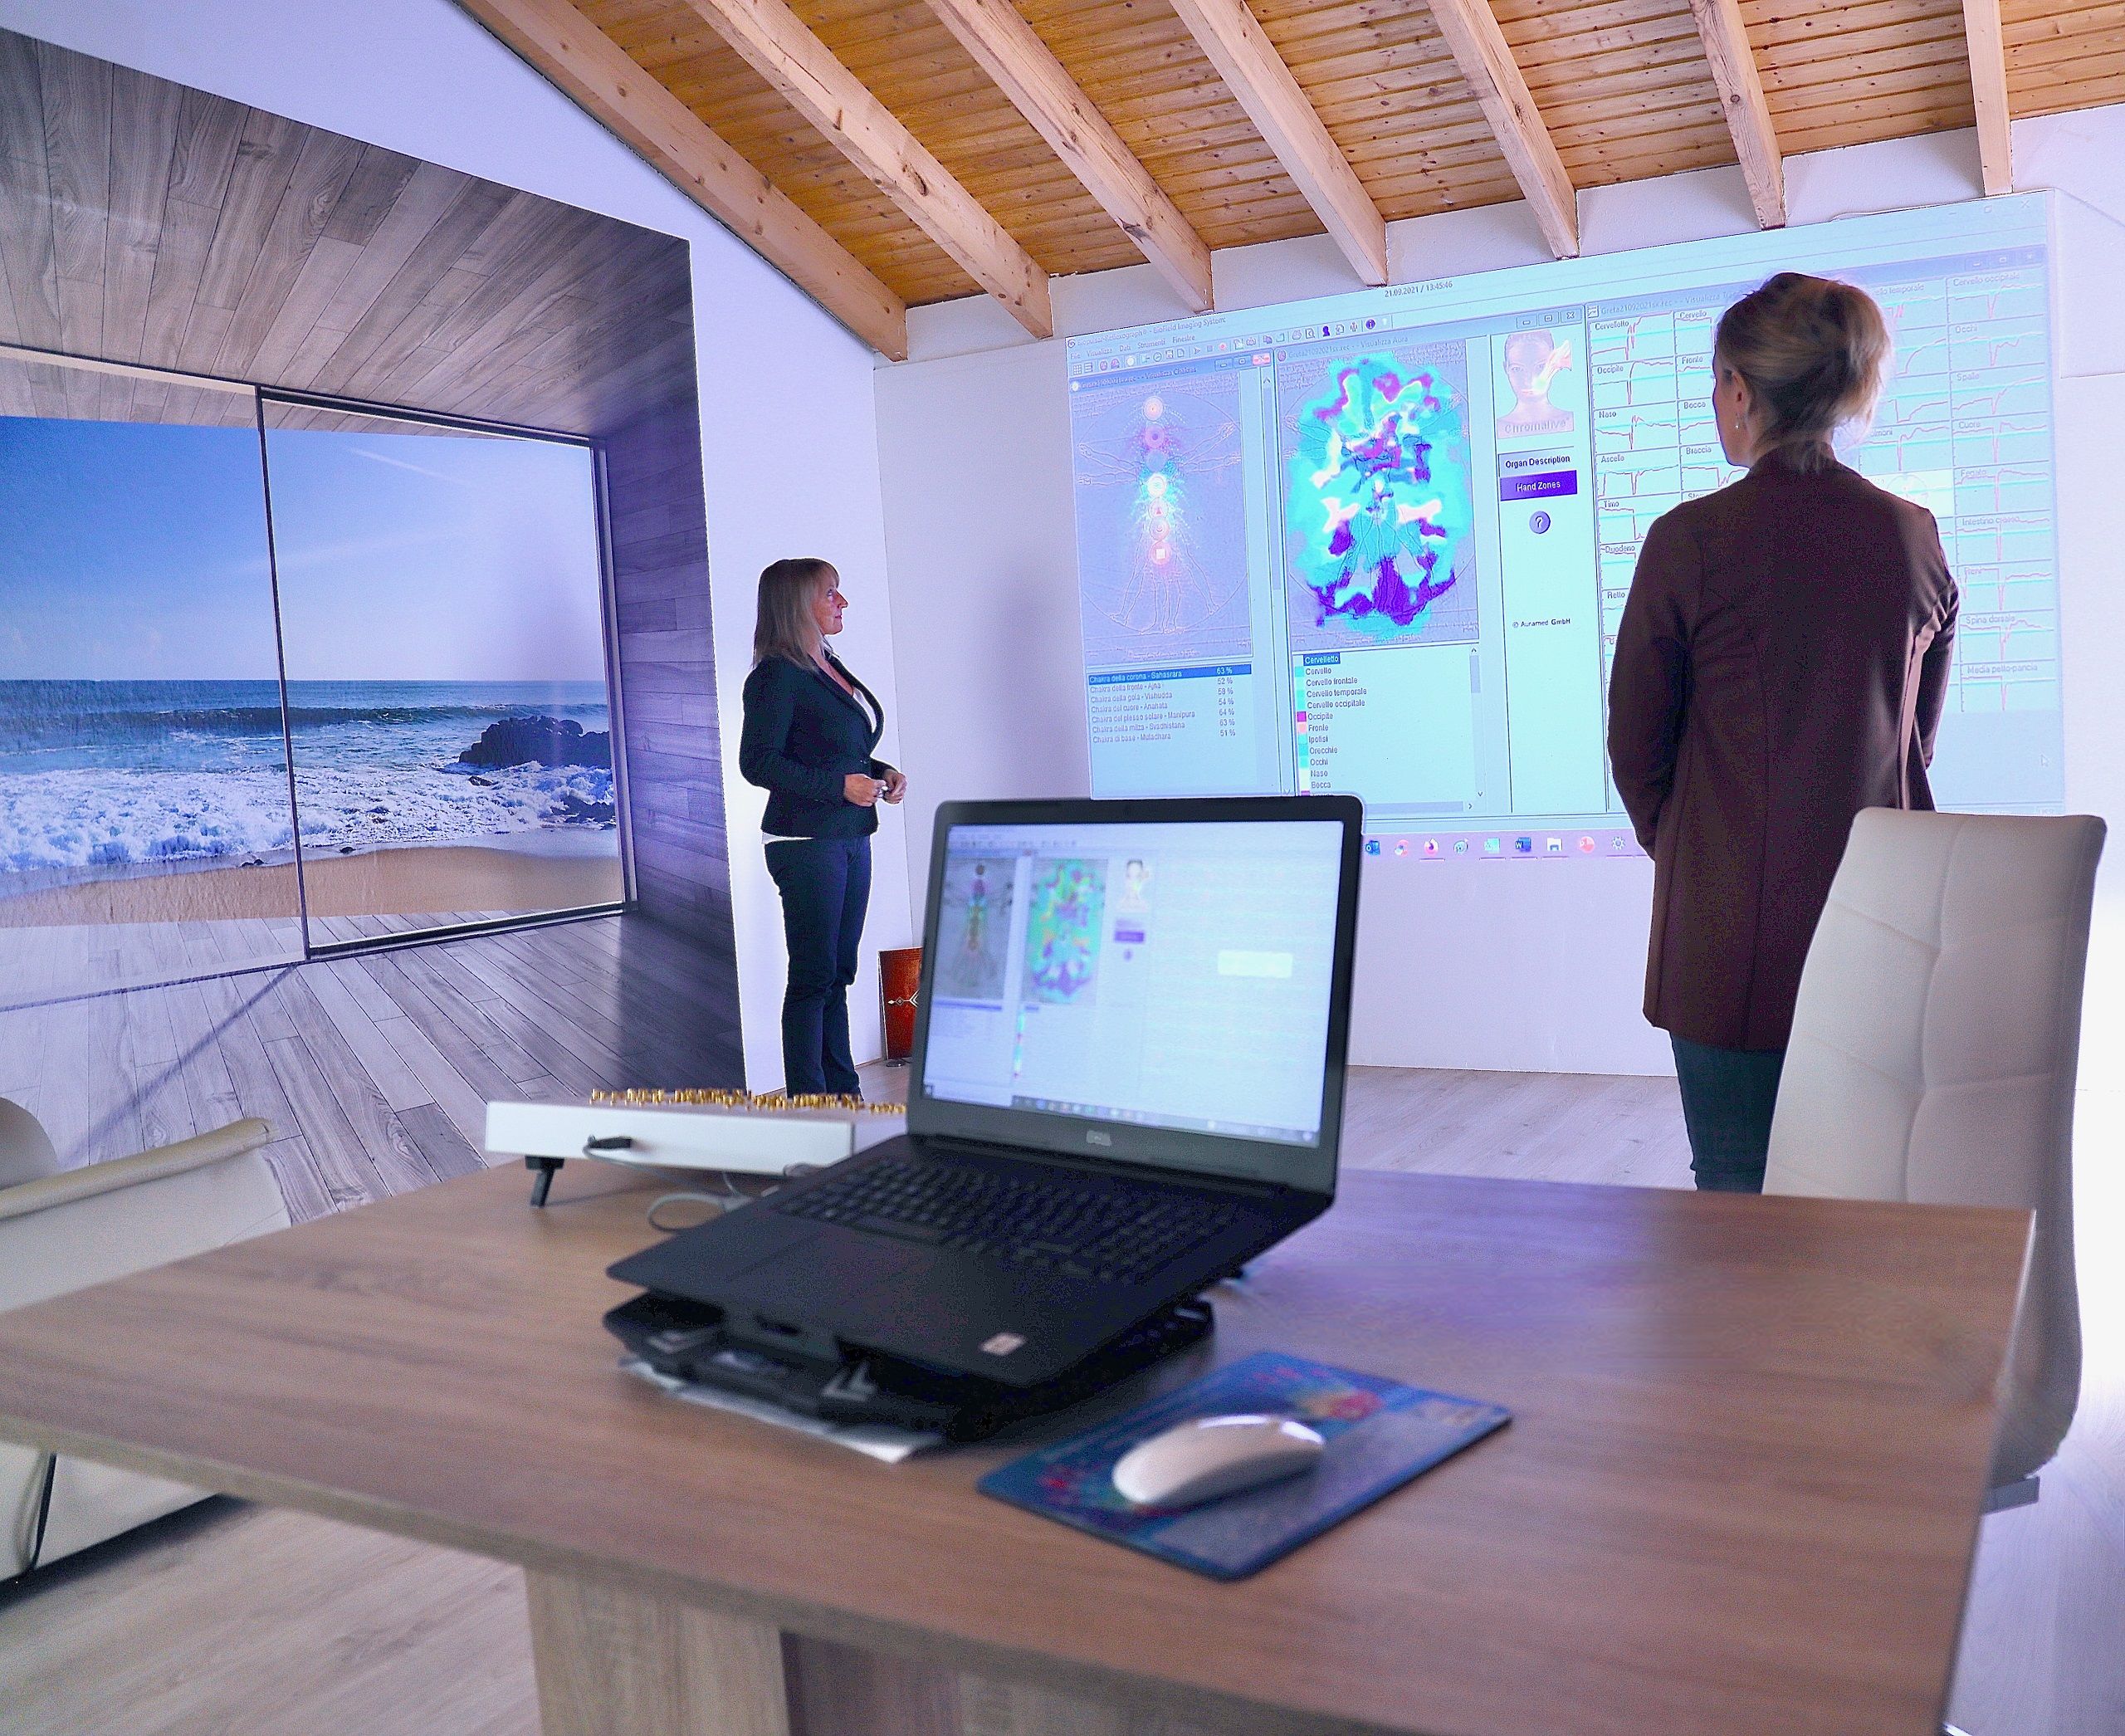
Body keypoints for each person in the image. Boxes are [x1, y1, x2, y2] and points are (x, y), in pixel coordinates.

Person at [1607, 272, 1957, 1193]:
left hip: (1728, 949)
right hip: (1883, 932)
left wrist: (1700, 847)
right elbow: (1913, 744)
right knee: (1872, 1198)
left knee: (1740, 1202)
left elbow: (1635, 745)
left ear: (1738, 388)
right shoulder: (1912, 535)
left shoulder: (1689, 540)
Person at [739, 558, 905, 1098]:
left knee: (838, 974)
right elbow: (758, 763)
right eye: (830, 593)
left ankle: (845, 1094)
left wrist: (880, 773)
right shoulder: (775, 676)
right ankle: (810, 1107)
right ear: (796, 604)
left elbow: (835, 751)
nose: (842, 602)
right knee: (813, 978)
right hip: (806, 841)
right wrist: (840, 787)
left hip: (851, 835)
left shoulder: (827, 665)